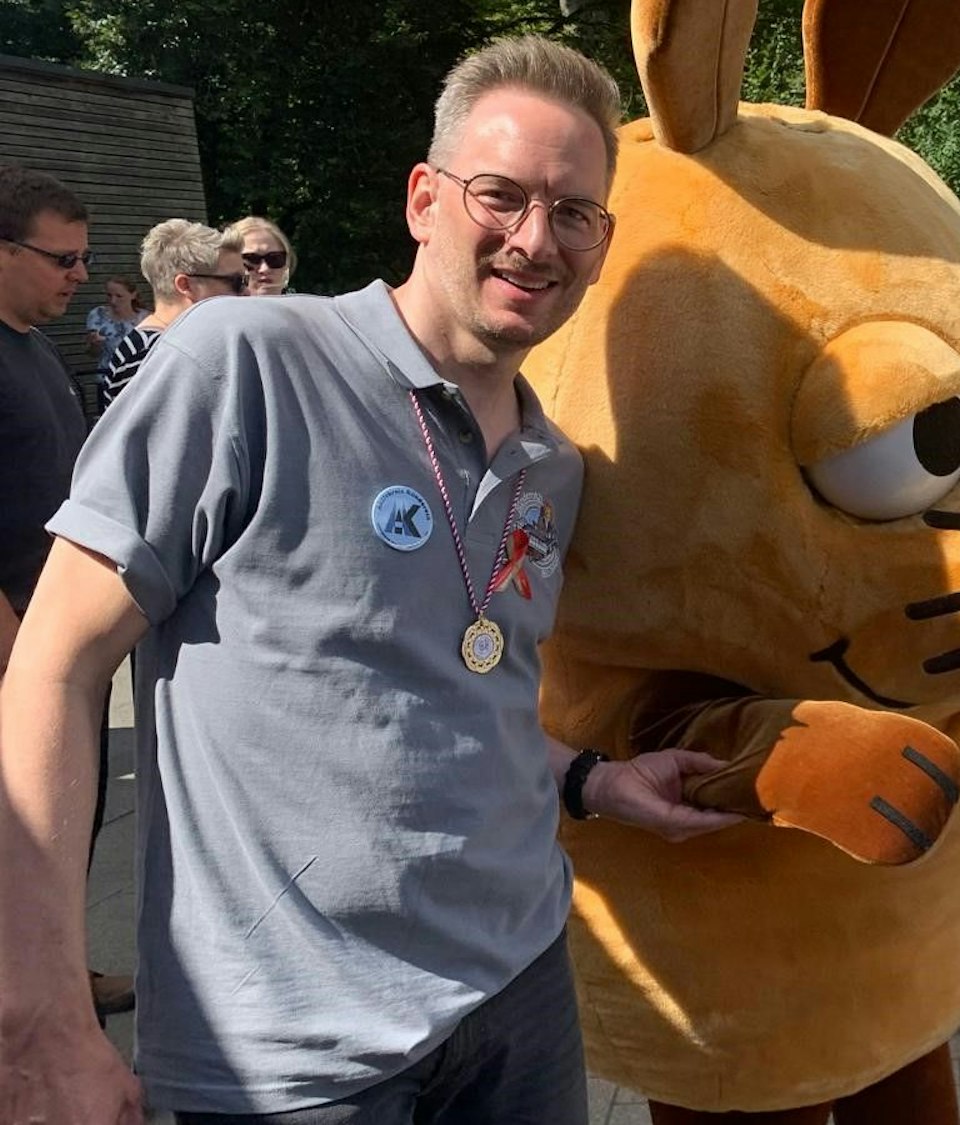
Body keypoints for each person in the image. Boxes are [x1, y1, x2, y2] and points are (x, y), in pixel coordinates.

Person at [0, 38, 741, 1124]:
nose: (536, 239)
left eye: (574, 212)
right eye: (501, 195)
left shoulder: (552, 467)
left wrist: (593, 780)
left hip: (521, 997)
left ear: (601, 245)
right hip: (292, 1059)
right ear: (424, 199)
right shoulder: (247, 362)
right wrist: (40, 1019)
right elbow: (53, 669)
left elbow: (456, 695)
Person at [0, 163, 135, 1021]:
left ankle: (57, 976)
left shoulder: (37, 350)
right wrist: (21, 657)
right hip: (15, 648)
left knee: (62, 824)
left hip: (52, 642)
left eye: (83, 258)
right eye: (63, 259)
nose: (81, 276)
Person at [101, 219, 245, 405]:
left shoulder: (161, 345)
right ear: (185, 285)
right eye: (237, 282)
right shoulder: (154, 355)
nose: (247, 292)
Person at [85, 274, 144, 372]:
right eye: (109, 295)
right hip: (107, 375)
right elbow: (92, 354)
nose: (113, 301)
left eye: (119, 296)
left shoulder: (146, 318)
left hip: (137, 375)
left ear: (133, 295)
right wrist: (95, 345)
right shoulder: (98, 315)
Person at [227, 215, 295, 296]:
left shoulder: (305, 303)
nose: (265, 269)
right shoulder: (215, 303)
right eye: (251, 259)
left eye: (275, 259)